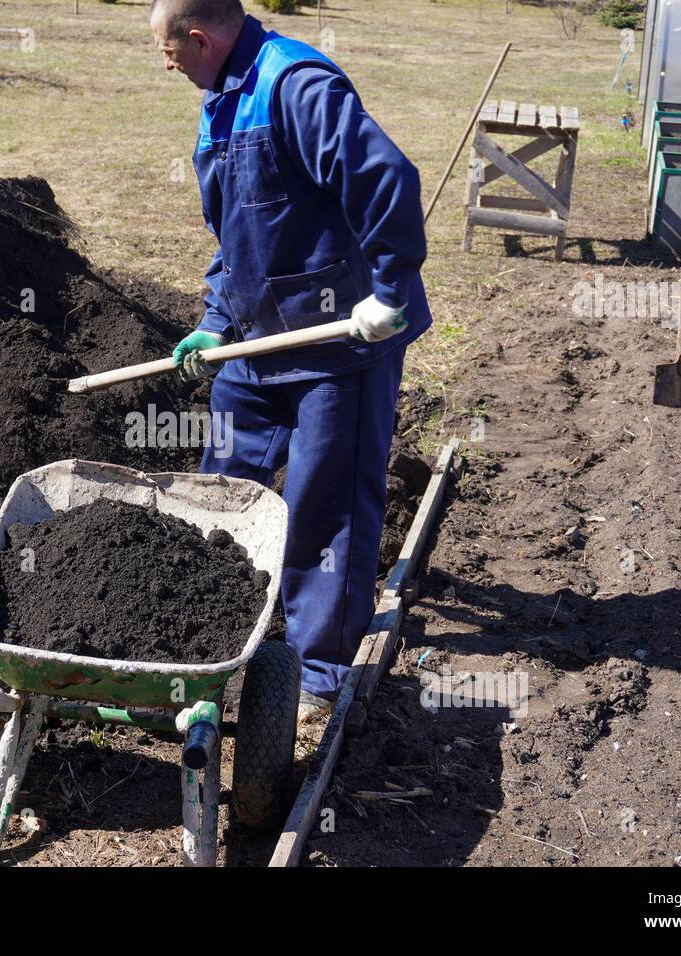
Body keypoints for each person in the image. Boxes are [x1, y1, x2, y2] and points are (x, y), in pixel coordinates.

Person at [149, 0, 432, 725]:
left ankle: (319, 672)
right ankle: (211, 643)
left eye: (168, 49)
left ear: (201, 38)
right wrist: (216, 324)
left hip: (344, 341)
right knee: (219, 492)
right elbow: (240, 234)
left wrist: (390, 292)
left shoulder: (297, 86)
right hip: (256, 342)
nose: (164, 61)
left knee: (324, 506)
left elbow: (388, 179)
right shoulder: (220, 105)